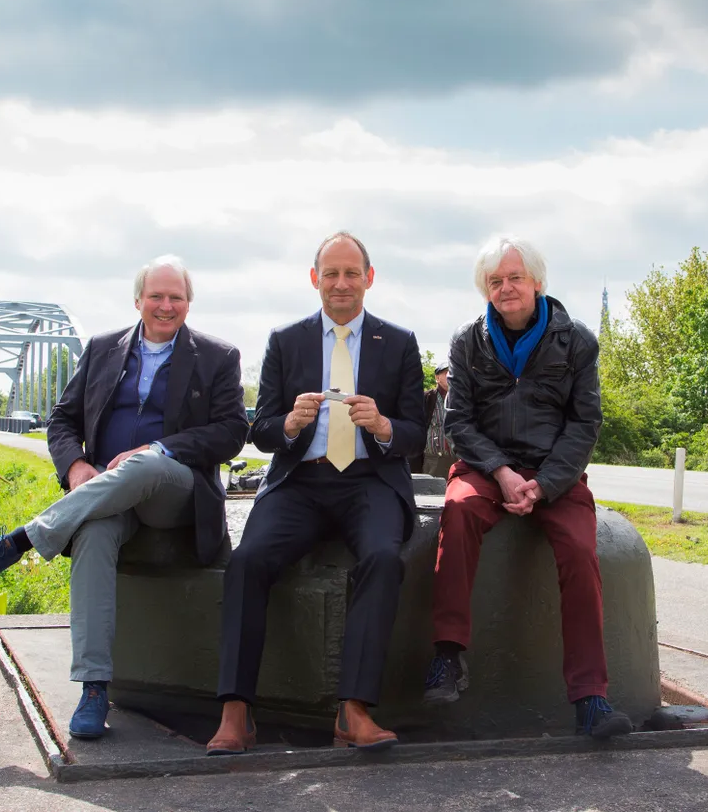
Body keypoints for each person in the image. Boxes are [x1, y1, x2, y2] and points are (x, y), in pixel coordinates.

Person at [0, 255, 249, 740]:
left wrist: (158, 447)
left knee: (146, 463)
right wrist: (75, 466)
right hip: (106, 496)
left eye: (176, 297)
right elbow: (63, 419)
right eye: (156, 296)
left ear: (189, 304)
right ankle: (93, 688)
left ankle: (24, 539)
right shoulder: (104, 348)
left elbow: (233, 432)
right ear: (138, 301)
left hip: (173, 491)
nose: (165, 306)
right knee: (91, 535)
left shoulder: (218, 357)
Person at [208, 232, 425, 755]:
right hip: (300, 483)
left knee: (382, 557)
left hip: (370, 482)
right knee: (248, 560)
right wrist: (288, 424)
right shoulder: (286, 340)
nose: (341, 283)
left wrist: (383, 427)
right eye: (331, 273)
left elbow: (417, 433)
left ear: (369, 279)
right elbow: (258, 430)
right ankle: (235, 710)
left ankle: (354, 710)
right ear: (315, 279)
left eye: (352, 273)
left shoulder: (398, 342)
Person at [422, 237, 633, 738]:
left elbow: (585, 423)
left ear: (537, 282)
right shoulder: (467, 341)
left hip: (553, 475)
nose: (505, 288)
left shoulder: (576, 340)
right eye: (495, 281)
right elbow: (459, 421)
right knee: (459, 514)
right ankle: (448, 656)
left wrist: (544, 483)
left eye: (515, 278)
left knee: (582, 552)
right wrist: (500, 471)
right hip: (486, 469)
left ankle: (591, 698)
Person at [413, 363, 456, 479]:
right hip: (433, 460)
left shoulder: (461, 398)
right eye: (446, 372)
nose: (451, 375)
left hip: (457, 459)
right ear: (437, 378)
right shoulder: (426, 398)